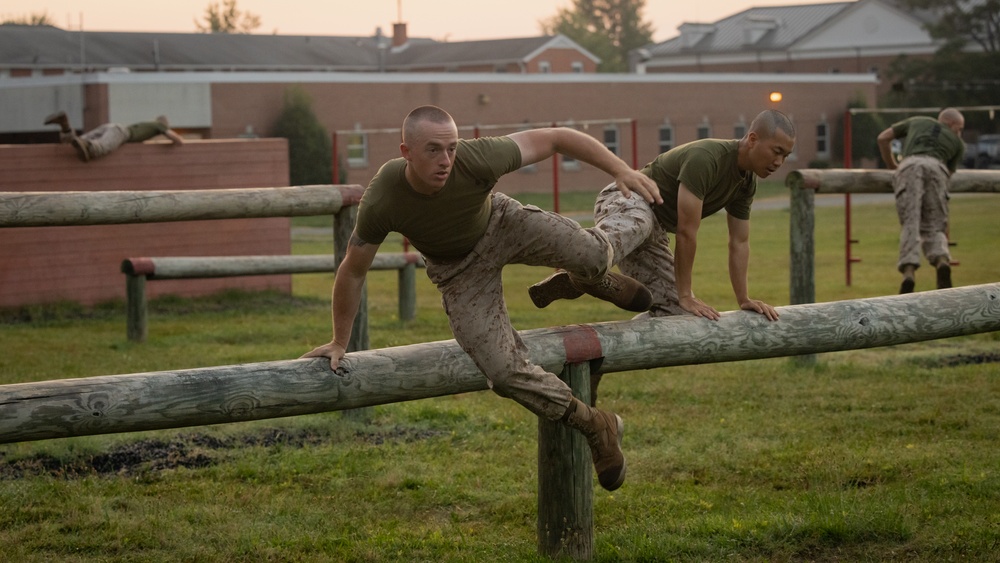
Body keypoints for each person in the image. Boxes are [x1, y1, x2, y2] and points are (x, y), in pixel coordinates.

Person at [301, 105, 662, 491]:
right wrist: (340, 340)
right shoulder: (384, 197)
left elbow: (557, 137)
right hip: (458, 270)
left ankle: (587, 279)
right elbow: (353, 270)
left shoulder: (477, 157)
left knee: (594, 256)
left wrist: (620, 169)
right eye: (434, 150)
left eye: (452, 148)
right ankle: (596, 424)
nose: (446, 161)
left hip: (502, 224)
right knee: (503, 373)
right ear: (406, 151)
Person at [530, 109, 795, 324]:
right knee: (639, 227)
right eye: (777, 151)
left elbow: (739, 243)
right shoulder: (707, 159)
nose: (779, 162)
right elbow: (686, 232)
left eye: (786, 156)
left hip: (654, 228)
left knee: (676, 313)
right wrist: (686, 293)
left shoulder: (746, 183)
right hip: (629, 196)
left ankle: (603, 348)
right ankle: (581, 265)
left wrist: (743, 298)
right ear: (752, 139)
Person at [876, 108, 965, 294]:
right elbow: (948, 174)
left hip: (910, 166)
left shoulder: (917, 121)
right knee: (934, 225)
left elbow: (883, 138)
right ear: (951, 124)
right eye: (959, 128)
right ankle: (941, 260)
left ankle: (908, 272)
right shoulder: (958, 143)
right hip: (937, 168)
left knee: (911, 221)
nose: (959, 133)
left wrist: (892, 165)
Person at [43, 111, 184, 162]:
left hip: (111, 127)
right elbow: (177, 140)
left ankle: (65, 126)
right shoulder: (158, 125)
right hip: (121, 133)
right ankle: (90, 146)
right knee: (99, 148)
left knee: (78, 143)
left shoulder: (147, 125)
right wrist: (178, 140)